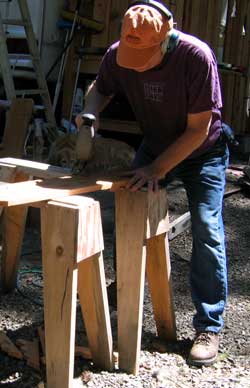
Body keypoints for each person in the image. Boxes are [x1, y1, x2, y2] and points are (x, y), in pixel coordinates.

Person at [76, 0, 229, 367]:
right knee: (128, 213)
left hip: (202, 152)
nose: (135, 60)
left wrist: (158, 169)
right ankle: (124, 286)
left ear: (166, 39)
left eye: (143, 54)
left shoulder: (196, 57)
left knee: (207, 228)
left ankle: (209, 324)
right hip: (156, 143)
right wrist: (90, 115)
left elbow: (199, 130)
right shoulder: (119, 53)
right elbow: (101, 88)